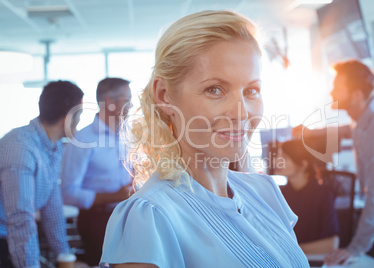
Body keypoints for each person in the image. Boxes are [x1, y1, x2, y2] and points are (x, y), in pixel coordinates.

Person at [100, 10, 309, 268]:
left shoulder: (264, 192)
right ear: (164, 95)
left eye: (251, 90)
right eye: (215, 89)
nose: (241, 113)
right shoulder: (150, 217)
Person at [297, 60, 374, 266]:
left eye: (337, 87)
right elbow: (346, 129)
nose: (331, 93)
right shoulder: (363, 116)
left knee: (371, 261)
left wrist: (355, 248)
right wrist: (309, 132)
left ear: (356, 95)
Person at [0, 81, 84, 267]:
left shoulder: (53, 146)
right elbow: (20, 219)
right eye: (80, 115)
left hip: (16, 238)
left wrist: (65, 256)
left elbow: (52, 207)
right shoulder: (21, 148)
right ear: (68, 119)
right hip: (5, 241)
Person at [61, 77, 133, 266]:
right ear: (110, 102)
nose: (132, 106)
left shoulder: (130, 135)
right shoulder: (82, 140)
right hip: (97, 221)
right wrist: (114, 196)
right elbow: (68, 193)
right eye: (127, 100)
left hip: (130, 215)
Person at [275, 139, 340, 254]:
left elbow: (331, 244)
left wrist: (293, 251)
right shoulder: (278, 194)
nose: (276, 161)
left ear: (303, 164)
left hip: (315, 260)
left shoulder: (323, 194)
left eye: (284, 158)